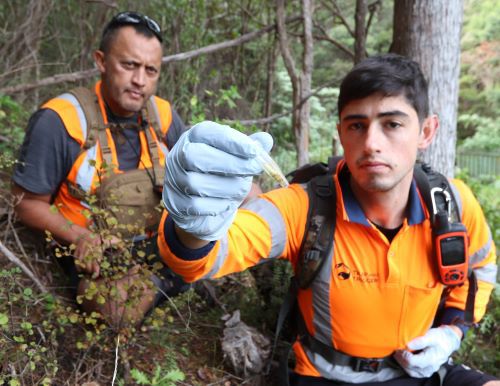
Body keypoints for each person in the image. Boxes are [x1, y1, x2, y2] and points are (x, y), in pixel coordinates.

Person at [157, 54, 498, 385]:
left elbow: (480, 268)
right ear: (340, 132)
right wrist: (193, 223)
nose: (371, 143)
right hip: (325, 375)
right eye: (356, 125)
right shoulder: (306, 207)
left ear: (426, 131)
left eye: (392, 124)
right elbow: (210, 254)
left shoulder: (451, 204)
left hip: (418, 372)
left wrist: (452, 332)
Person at [11, 11, 191, 326]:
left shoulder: (162, 117)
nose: (140, 80)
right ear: (101, 61)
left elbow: (194, 180)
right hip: (87, 251)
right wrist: (79, 236)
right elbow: (25, 203)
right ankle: (166, 283)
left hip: (153, 243)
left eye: (151, 70)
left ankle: (160, 279)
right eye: (129, 65)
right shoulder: (60, 120)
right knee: (116, 311)